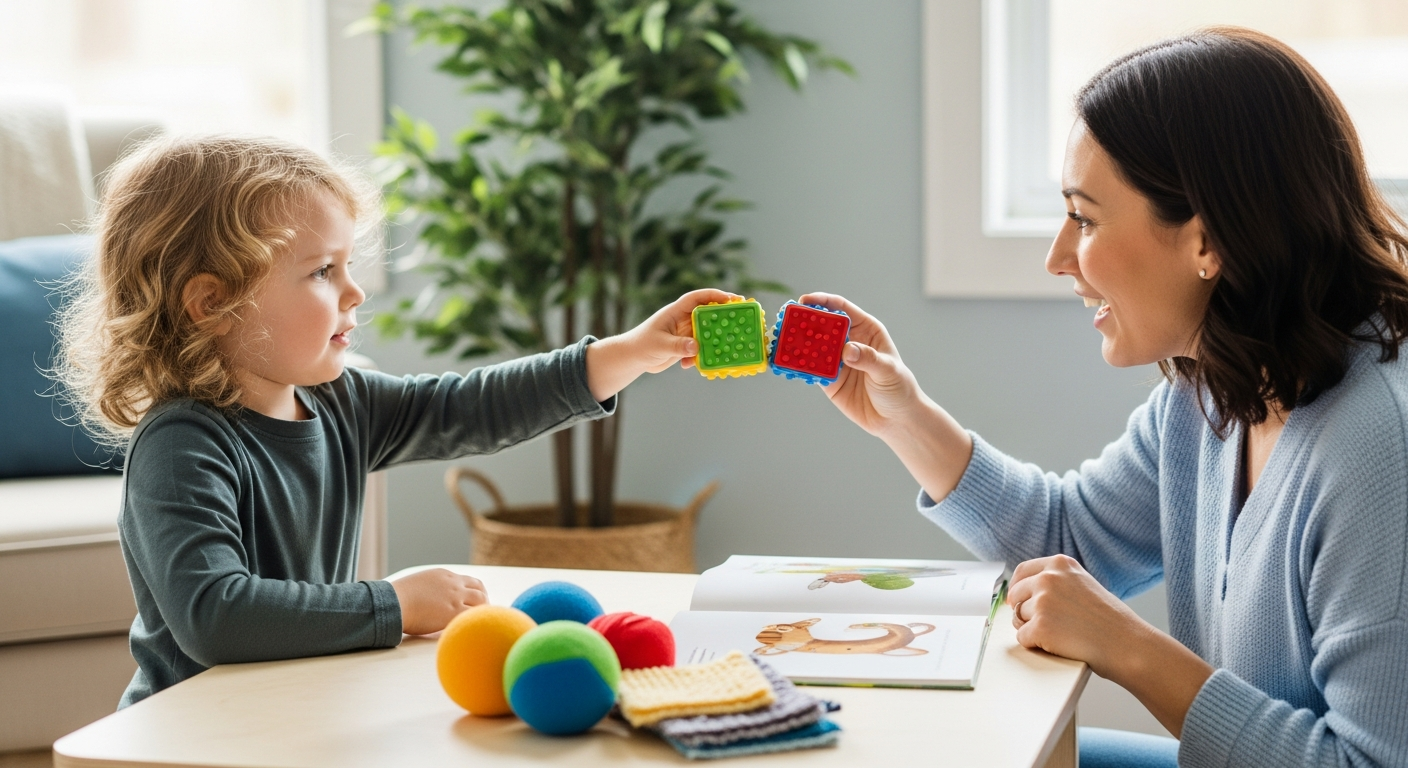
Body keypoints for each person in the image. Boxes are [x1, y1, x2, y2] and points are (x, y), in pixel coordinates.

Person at [805, 28, 1408, 768]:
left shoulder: (1379, 451)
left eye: (1085, 218)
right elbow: (1071, 542)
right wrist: (904, 415)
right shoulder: (1211, 391)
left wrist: (1128, 648)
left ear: (1208, 242)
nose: (1057, 257)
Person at [54, 134, 728, 708]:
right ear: (212, 304)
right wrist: (393, 605)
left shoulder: (339, 402)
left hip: (298, 713)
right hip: (192, 735)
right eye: (323, 271)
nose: (354, 291)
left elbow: (469, 407)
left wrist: (627, 353)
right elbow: (217, 617)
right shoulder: (181, 446)